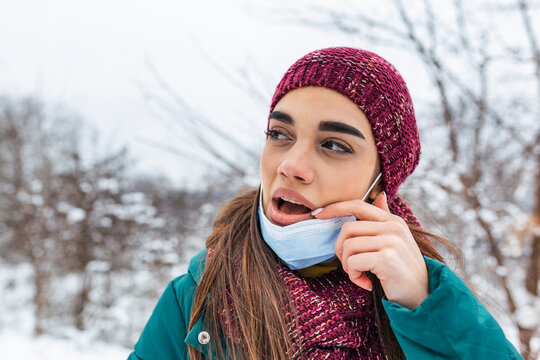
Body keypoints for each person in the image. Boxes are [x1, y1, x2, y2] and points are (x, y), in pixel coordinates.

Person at [127, 47, 523, 359]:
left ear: (381, 181)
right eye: (280, 134)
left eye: (334, 145)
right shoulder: (196, 297)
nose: (291, 165)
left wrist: (423, 304)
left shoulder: (425, 298)